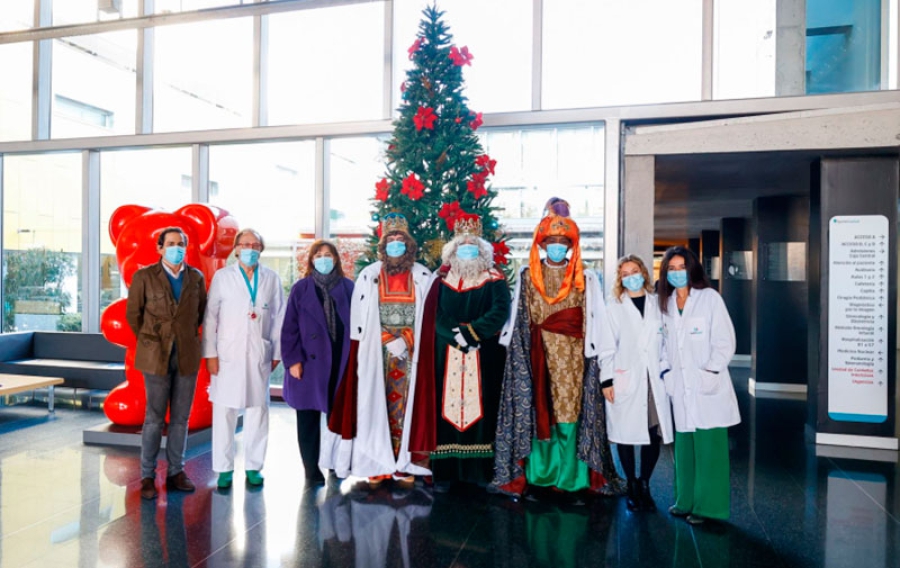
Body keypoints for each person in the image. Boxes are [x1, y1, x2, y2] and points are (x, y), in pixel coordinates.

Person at [493, 198, 623, 501]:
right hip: (538, 356)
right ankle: (541, 477)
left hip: (574, 358)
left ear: (569, 246)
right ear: (542, 244)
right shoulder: (527, 276)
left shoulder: (585, 277)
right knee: (542, 412)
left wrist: (602, 363)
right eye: (550, 242)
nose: (556, 247)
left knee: (569, 413)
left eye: (562, 242)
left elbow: (597, 320)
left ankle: (572, 480)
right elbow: (518, 318)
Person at [329, 213, 434, 487]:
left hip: (411, 353)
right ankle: (376, 462)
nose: (396, 245)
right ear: (383, 244)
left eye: (401, 240)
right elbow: (361, 317)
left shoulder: (423, 275)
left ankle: (404, 463)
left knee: (408, 409)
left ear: (409, 245)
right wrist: (387, 338)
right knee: (374, 406)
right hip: (378, 352)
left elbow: (429, 316)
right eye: (391, 240)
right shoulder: (369, 275)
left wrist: (408, 342)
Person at [409, 214, 510, 490]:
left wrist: (471, 333)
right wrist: (455, 335)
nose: (467, 248)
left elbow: (500, 310)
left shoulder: (494, 278)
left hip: (483, 351)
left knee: (483, 409)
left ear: (481, 249)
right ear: (453, 249)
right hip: (448, 351)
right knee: (445, 407)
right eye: (462, 244)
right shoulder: (441, 280)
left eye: (472, 244)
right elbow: (435, 314)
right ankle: (447, 471)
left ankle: (479, 473)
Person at [658, 245, 740, 525]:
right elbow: (662, 346)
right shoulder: (665, 304)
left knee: (710, 450)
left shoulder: (709, 299)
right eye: (671, 268)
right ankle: (685, 501)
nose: (677, 273)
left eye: (682, 267)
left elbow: (725, 341)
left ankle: (710, 508)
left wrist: (710, 371)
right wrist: (666, 374)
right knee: (684, 448)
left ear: (692, 269)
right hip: (680, 387)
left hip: (707, 385)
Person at [126, 226, 207, 500]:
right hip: (155, 355)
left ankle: (176, 472)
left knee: (181, 419)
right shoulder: (144, 276)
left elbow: (199, 313)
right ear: (159, 248)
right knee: (153, 418)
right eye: (170, 243)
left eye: (180, 243)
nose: (176, 248)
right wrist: (151, 340)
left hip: (186, 354)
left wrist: (180, 335)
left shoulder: (195, 277)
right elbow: (133, 315)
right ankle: (148, 475)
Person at [202, 228, 285, 489]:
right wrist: (210, 353)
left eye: (255, 244)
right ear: (236, 248)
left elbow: (279, 317)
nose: (250, 248)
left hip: (259, 353)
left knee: (258, 411)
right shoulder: (222, 277)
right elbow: (210, 316)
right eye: (245, 244)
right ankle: (224, 469)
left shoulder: (271, 278)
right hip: (227, 354)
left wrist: (276, 351)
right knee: (224, 411)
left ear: (261, 249)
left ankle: (253, 467)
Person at [601, 255, 673, 512]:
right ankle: (631, 484)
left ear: (644, 272)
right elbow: (606, 347)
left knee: (652, 432)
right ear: (620, 279)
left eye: (635, 271)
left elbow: (667, 341)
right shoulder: (614, 307)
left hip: (654, 378)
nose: (631, 276)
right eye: (625, 273)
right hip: (625, 377)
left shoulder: (659, 304)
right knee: (625, 434)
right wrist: (607, 379)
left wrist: (666, 370)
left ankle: (645, 483)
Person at [280, 240, 354, 486]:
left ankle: (335, 464)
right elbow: (289, 328)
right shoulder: (301, 288)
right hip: (309, 363)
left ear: (336, 259)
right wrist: (293, 361)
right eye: (318, 255)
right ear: (311, 260)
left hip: (340, 361)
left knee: (336, 418)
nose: (323, 259)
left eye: (328, 255)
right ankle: (311, 470)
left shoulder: (348, 287)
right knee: (308, 419)